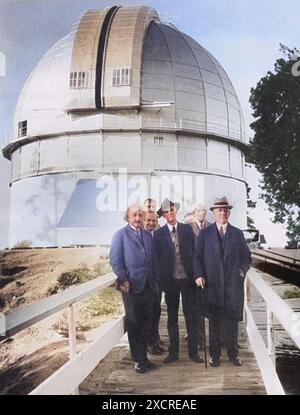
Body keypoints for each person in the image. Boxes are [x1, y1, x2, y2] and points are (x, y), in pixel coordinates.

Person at [194, 196, 251, 367]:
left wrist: (241, 271)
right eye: (220, 210)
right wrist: (198, 275)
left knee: (232, 321)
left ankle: (234, 355)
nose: (223, 212)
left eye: (226, 210)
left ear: (229, 213)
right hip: (212, 285)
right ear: (214, 212)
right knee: (214, 322)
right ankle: (215, 356)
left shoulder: (237, 233)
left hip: (232, 286)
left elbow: (246, 257)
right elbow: (197, 257)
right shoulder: (205, 233)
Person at [110, 204, 158, 373]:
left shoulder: (147, 235)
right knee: (134, 323)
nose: (138, 218)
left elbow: (152, 260)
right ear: (128, 217)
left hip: (148, 285)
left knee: (146, 323)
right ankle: (138, 361)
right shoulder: (120, 235)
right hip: (131, 286)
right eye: (134, 215)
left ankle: (144, 358)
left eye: (140, 215)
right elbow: (115, 261)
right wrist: (123, 278)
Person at [154, 198, 203, 364]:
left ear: (176, 211)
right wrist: (161, 281)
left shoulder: (187, 229)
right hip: (170, 281)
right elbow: (157, 259)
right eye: (166, 212)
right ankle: (173, 353)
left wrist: (198, 275)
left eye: (172, 210)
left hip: (188, 279)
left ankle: (193, 352)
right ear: (163, 216)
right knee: (172, 317)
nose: (170, 214)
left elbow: (196, 253)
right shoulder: (158, 234)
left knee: (191, 315)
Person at [184, 203, 212, 350]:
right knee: (191, 307)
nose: (201, 213)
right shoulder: (187, 227)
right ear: (194, 212)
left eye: (203, 210)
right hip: (190, 274)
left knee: (203, 306)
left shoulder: (210, 226)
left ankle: (205, 339)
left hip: (206, 272)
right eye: (198, 210)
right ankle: (193, 336)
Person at [144, 210, 164, 355]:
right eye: (148, 221)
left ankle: (154, 340)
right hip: (145, 283)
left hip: (156, 282)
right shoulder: (141, 236)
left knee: (156, 311)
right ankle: (149, 343)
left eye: (154, 221)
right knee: (148, 314)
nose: (151, 223)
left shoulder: (156, 236)